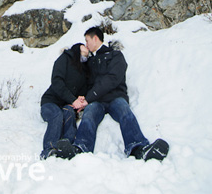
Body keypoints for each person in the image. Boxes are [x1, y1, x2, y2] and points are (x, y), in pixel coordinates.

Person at [55, 26, 169, 161]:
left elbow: (113, 79)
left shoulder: (115, 55)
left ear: (95, 38)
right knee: (89, 115)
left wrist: (89, 97)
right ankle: (80, 148)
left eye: (87, 40)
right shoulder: (89, 62)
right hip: (96, 102)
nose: (86, 44)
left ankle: (138, 148)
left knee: (124, 111)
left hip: (115, 97)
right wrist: (79, 99)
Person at [40, 43, 90, 159]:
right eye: (83, 46)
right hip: (50, 102)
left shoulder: (84, 69)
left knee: (69, 112)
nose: (86, 48)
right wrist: (73, 99)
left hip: (66, 104)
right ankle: (49, 149)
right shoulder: (65, 59)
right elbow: (57, 82)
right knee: (57, 115)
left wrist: (81, 99)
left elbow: (83, 89)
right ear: (77, 48)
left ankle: (67, 144)